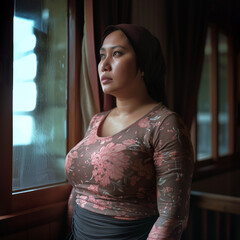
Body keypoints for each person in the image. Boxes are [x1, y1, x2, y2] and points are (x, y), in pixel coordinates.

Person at [65, 24, 194, 240]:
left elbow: (171, 218)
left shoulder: (165, 125)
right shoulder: (97, 120)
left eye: (116, 53)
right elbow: (77, 192)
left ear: (143, 64)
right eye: (101, 56)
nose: (103, 65)